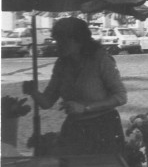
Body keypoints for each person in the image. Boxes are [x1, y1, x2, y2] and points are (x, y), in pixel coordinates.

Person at [23, 18, 127, 155]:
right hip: (74, 129)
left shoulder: (101, 60)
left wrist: (85, 108)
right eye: (56, 40)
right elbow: (47, 102)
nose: (57, 45)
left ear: (79, 40)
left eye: (62, 40)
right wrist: (33, 92)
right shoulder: (61, 65)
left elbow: (120, 97)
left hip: (103, 127)